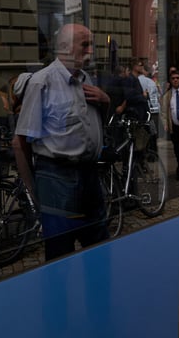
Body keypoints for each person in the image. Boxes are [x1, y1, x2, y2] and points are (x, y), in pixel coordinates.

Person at [14, 24, 111, 261]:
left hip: (89, 176)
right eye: (85, 44)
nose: (91, 50)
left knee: (99, 250)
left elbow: (96, 125)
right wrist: (35, 191)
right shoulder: (42, 82)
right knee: (60, 255)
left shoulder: (85, 78)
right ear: (65, 47)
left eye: (92, 44)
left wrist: (106, 101)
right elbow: (20, 142)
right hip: (57, 179)